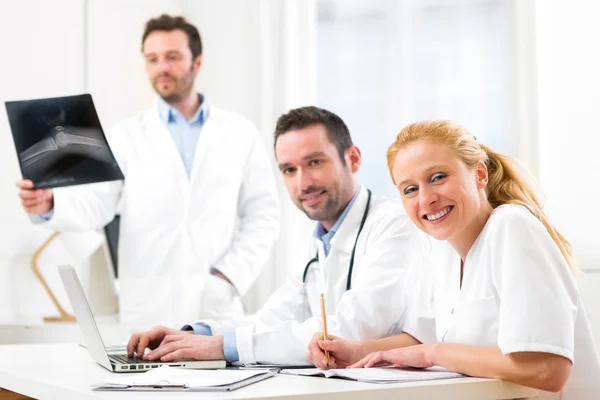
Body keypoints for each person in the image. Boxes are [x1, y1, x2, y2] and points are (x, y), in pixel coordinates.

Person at [15, 14, 280, 331]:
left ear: (196, 62)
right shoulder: (125, 135)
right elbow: (97, 203)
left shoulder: (239, 133)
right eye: (153, 59)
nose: (161, 68)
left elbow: (264, 213)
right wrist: (50, 205)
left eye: (172, 57)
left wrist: (229, 275)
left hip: (215, 305)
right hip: (148, 307)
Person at [309, 120, 600, 398]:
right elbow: (422, 337)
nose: (426, 199)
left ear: (480, 175)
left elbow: (547, 369)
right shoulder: (442, 249)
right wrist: (355, 350)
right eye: (410, 189)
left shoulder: (511, 227)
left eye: (438, 177)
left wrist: (433, 354)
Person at [126, 106, 434, 365]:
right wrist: (195, 334)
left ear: (352, 159)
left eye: (315, 162)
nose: (303, 183)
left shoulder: (394, 224)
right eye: (289, 170)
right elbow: (272, 318)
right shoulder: (318, 241)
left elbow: (351, 329)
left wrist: (222, 347)